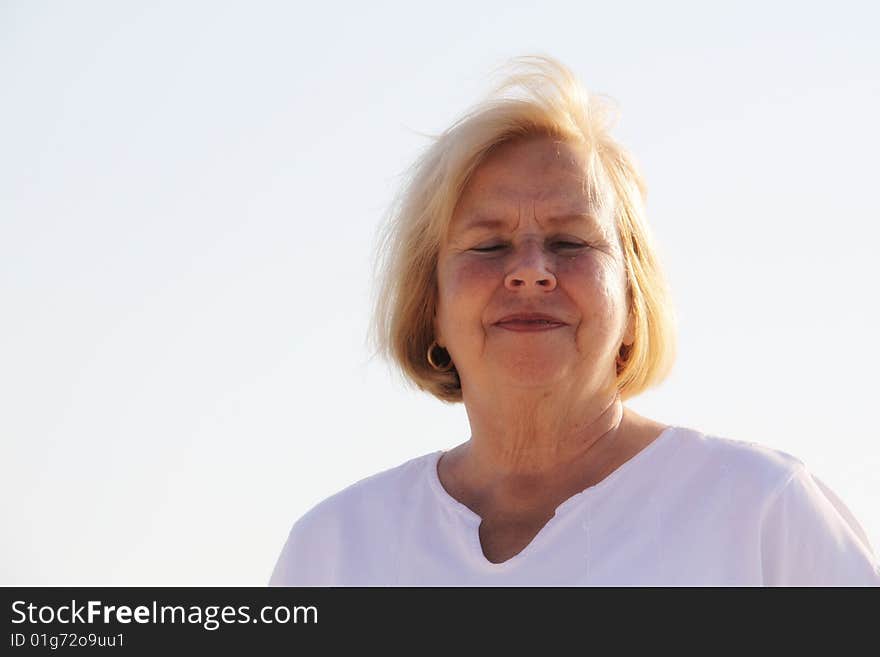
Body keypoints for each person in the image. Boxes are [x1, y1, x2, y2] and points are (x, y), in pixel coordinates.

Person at [269, 56, 880, 586]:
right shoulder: (334, 553)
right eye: (487, 246)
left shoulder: (762, 512)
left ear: (634, 303)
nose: (531, 272)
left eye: (569, 242)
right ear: (428, 307)